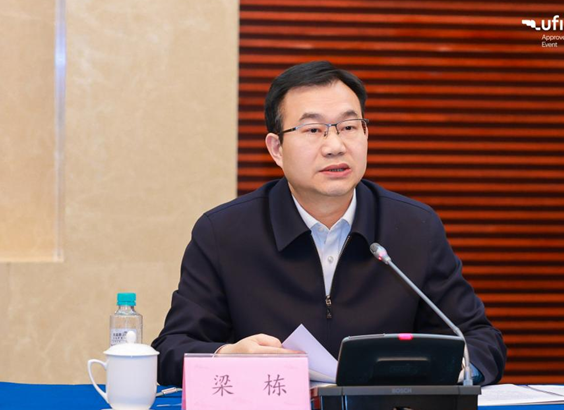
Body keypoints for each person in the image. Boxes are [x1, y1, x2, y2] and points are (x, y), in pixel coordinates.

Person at [152, 61, 506, 386]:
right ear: (276, 149)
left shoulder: (414, 227)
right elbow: (171, 351)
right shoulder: (224, 232)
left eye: (349, 127)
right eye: (313, 130)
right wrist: (226, 357)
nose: (335, 146)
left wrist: (457, 369)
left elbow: (480, 340)